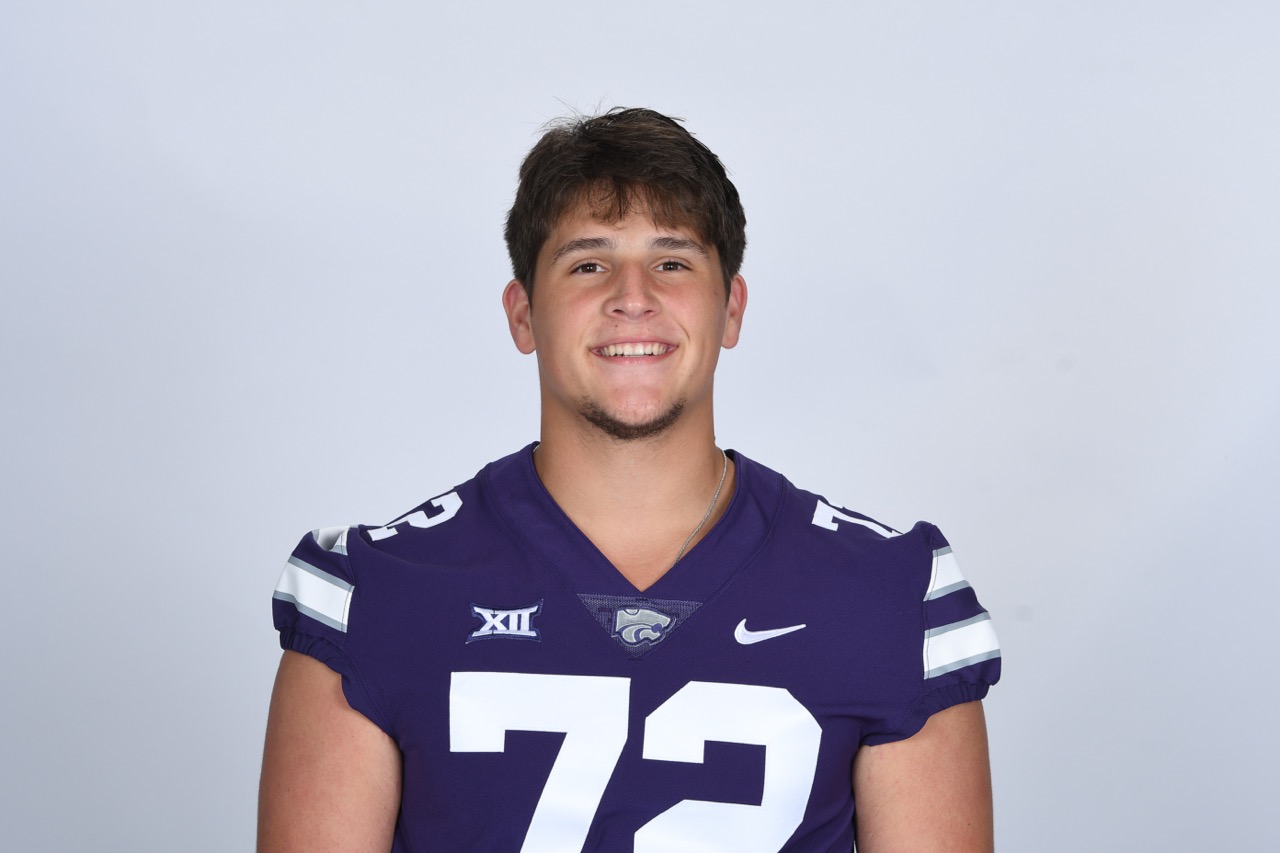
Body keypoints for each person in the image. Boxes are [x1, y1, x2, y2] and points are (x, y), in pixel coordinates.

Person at [258, 107, 1001, 852]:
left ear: (731, 308)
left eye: (672, 262)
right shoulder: (376, 591)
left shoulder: (886, 591)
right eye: (588, 263)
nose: (633, 296)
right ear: (523, 314)